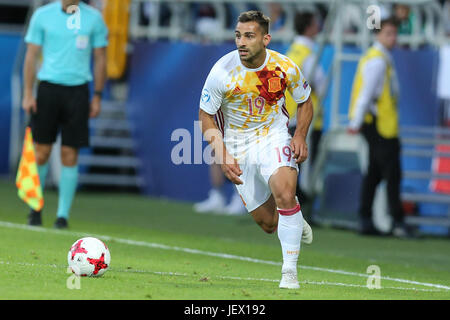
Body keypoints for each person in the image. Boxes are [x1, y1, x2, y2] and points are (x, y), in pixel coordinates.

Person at [198, 10, 314, 289]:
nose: (241, 41)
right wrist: (223, 154)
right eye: (238, 35)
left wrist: (299, 134)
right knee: (268, 224)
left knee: (285, 193)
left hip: (274, 137)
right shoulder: (222, 71)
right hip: (239, 145)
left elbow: (305, 100)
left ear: (265, 39)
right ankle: (294, 218)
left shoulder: (284, 67)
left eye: (249, 35)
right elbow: (205, 115)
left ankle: (289, 273)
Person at [22, 0, 108, 229]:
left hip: (78, 91)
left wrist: (97, 95)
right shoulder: (42, 15)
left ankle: (62, 216)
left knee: (70, 154)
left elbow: (101, 58)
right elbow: (31, 56)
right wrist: (28, 94)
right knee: (41, 152)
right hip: (48, 88)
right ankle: (35, 208)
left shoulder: (94, 18)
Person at [348, 17, 411, 238]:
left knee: (374, 174)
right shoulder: (377, 61)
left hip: (378, 124)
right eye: (388, 33)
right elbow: (366, 95)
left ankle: (365, 219)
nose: (393, 38)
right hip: (380, 126)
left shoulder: (378, 58)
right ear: (378, 34)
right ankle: (398, 222)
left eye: (394, 33)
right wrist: (355, 122)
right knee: (392, 174)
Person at [285, 11, 327, 213]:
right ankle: (300, 209)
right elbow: (321, 85)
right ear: (310, 27)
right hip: (306, 120)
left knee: (292, 168)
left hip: (289, 117)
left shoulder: (291, 53)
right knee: (305, 170)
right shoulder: (309, 56)